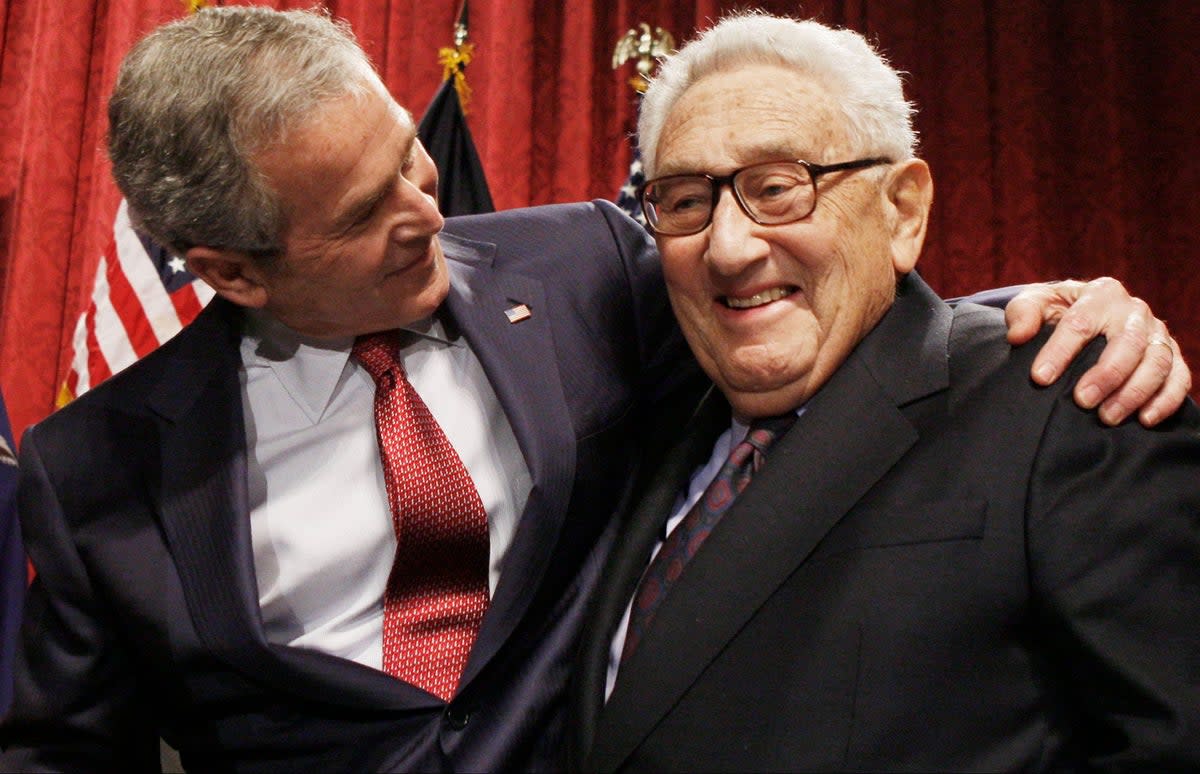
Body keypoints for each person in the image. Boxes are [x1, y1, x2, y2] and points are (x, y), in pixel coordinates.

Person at [0, 7, 1188, 772]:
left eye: (409, 157)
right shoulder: (95, 471)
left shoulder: (578, 270)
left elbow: (806, 317)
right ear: (230, 271)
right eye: (366, 215)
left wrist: (1037, 319)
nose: (429, 213)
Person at [569, 13, 1200, 772]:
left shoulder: (1073, 402)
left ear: (901, 211)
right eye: (683, 201)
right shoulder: (629, 428)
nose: (728, 248)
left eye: (778, 188)